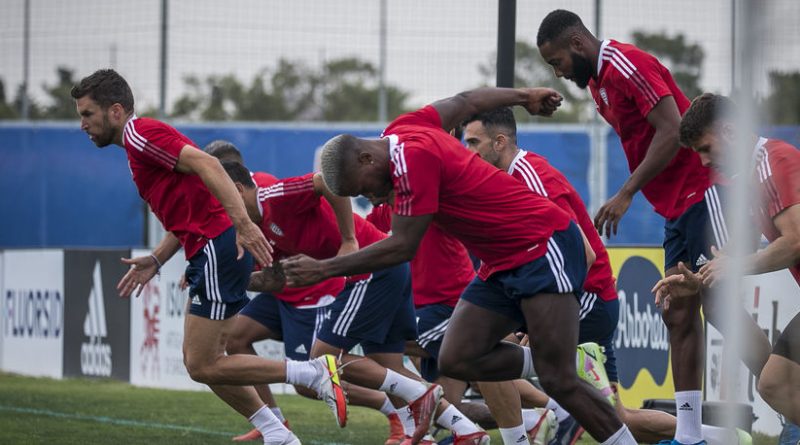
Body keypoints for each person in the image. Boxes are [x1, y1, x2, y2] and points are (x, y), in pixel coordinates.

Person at [281, 86, 642, 445]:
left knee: (558, 382)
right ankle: (565, 365)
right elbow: (466, 102)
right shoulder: (401, 130)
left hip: (540, 246)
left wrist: (324, 269)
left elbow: (402, 246)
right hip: (501, 262)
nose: (371, 197)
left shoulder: (412, 161)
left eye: (363, 189)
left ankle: (565, 378)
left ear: (366, 160)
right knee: (457, 357)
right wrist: (524, 95)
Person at [71, 69, 345, 445]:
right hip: (210, 247)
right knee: (200, 362)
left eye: (87, 114)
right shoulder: (137, 144)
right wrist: (158, 258)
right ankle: (276, 431)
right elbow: (189, 203)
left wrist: (244, 225)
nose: (82, 124)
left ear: (115, 110)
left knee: (203, 362)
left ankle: (310, 375)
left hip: (217, 246)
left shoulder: (140, 134)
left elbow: (209, 165)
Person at [536, 10, 765, 445]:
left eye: (557, 61)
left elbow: (672, 129)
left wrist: (626, 193)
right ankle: (691, 435)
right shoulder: (598, 85)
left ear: (578, 45)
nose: (559, 71)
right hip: (675, 209)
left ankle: (788, 397)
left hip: (705, 191)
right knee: (677, 313)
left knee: (717, 307)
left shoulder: (625, 65)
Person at [463, 107, 749, 445]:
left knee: (479, 353)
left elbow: (580, 251)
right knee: (615, 417)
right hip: (576, 302)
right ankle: (723, 437)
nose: (467, 152)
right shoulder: (497, 182)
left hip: (586, 302)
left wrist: (539, 319)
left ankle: (545, 414)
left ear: (498, 142)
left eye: (472, 142)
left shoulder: (530, 176)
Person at [220, 161, 489, 445]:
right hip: (387, 267)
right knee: (389, 367)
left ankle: (423, 395)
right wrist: (232, 281)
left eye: (224, 200)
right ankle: (465, 429)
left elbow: (325, 180)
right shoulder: (257, 227)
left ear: (237, 189)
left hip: (370, 269)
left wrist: (349, 240)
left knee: (323, 359)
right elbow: (275, 280)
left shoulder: (272, 196)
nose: (224, 211)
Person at [653, 93, 800, 430]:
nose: (704, 163)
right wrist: (699, 279)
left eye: (706, 148)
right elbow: (740, 248)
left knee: (775, 382)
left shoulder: (772, 161)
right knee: (775, 382)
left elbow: (794, 242)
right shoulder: (749, 178)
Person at [203, 140, 347, 442]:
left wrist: (348, 241)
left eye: (214, 188)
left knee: (313, 381)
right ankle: (276, 424)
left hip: (314, 290)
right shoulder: (240, 212)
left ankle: (393, 407)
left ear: (233, 183)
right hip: (284, 291)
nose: (213, 199)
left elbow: (325, 183)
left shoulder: (267, 191)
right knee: (235, 338)